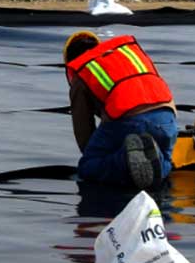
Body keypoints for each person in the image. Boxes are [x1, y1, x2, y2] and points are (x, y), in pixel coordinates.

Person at [63, 31, 178, 189]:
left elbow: (84, 130)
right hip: (167, 116)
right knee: (165, 159)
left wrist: (98, 154)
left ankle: (126, 158)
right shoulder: (129, 53)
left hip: (128, 118)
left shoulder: (81, 70)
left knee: (88, 166)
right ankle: (155, 157)